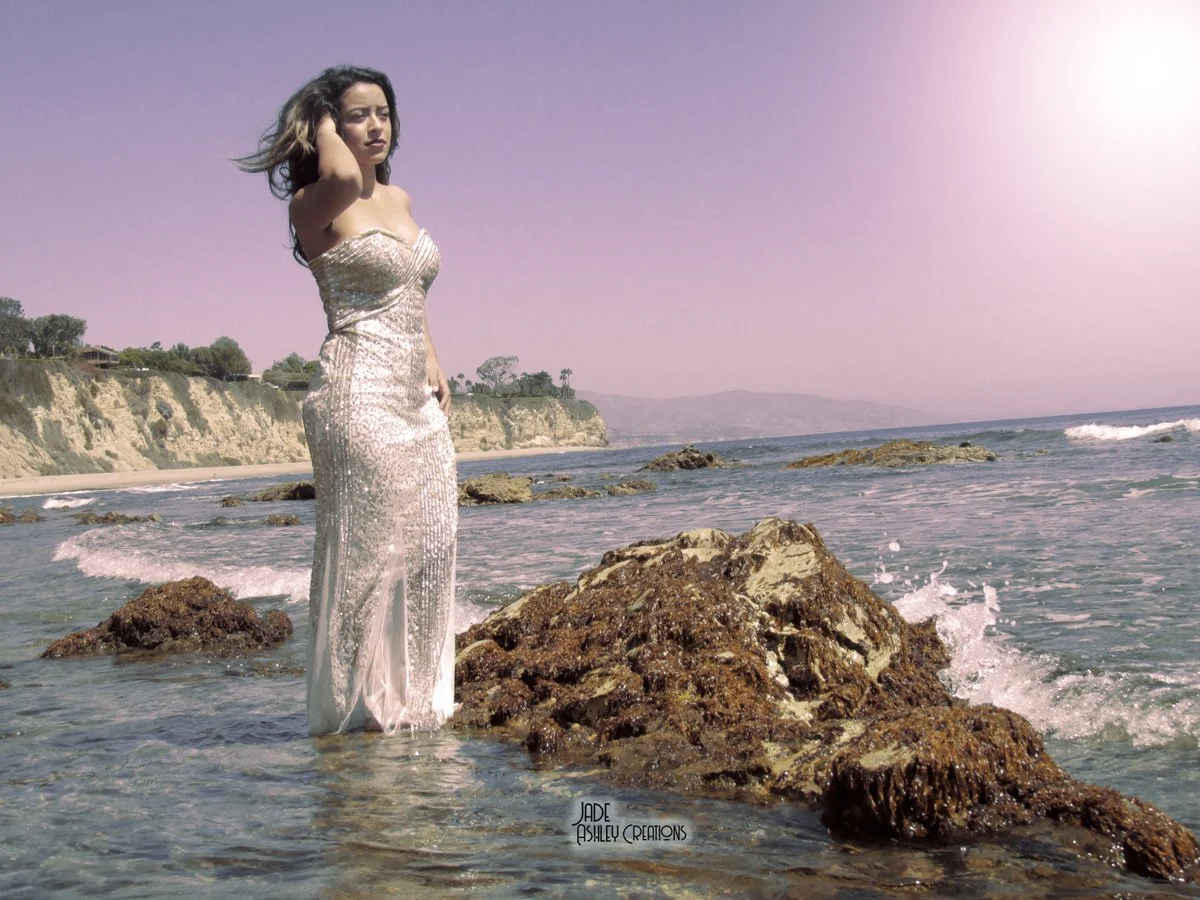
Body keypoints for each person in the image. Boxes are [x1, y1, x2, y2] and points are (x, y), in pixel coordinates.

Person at [235, 66, 457, 735]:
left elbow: (408, 288)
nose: (377, 125)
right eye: (358, 115)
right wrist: (323, 114)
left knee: (429, 543)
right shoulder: (316, 200)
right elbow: (340, 177)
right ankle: (355, 711)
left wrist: (433, 355)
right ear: (328, 126)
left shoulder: (401, 198)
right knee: (367, 554)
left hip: (413, 399)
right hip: (355, 395)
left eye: (384, 112)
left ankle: (417, 703)